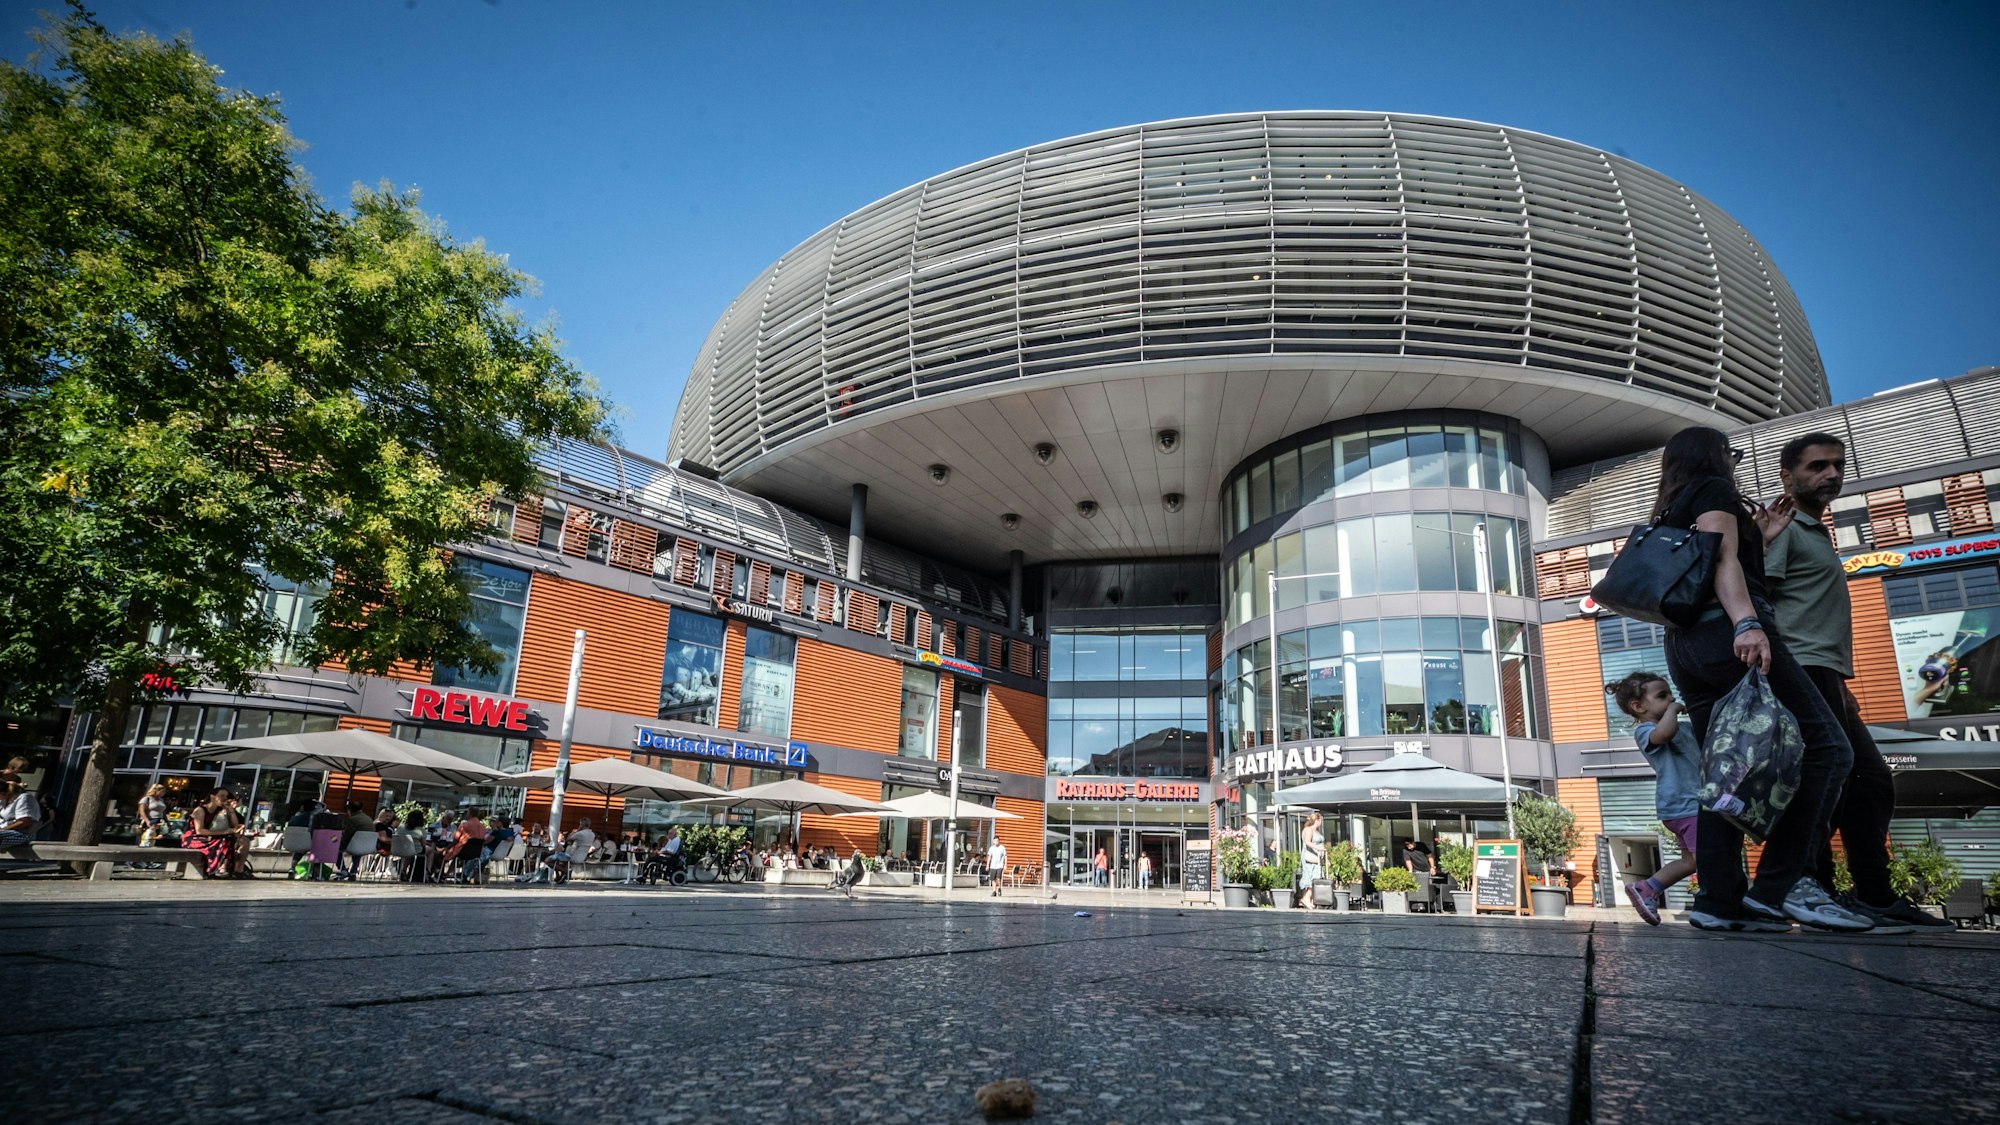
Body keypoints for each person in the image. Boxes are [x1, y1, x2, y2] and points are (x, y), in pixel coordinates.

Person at [1650, 425, 1865, 933]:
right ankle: (1777, 887)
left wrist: (1759, 540)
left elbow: (1715, 560)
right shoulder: (1716, 489)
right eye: (1734, 454)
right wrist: (1747, 622)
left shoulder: (1671, 503)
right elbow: (1722, 558)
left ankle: (1718, 901)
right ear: (1717, 456)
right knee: (1829, 749)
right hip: (1729, 635)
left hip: (1685, 646)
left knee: (1720, 777)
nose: (1737, 462)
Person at [1759, 433, 1951, 935]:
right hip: (1800, 666)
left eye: (1837, 466)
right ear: (1788, 476)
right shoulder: (1785, 528)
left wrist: (1839, 684)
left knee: (1857, 781)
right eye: (1816, 467)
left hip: (1826, 671)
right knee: (1841, 775)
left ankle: (1868, 894)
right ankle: (1818, 886)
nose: (1830, 475)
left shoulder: (1818, 532)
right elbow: (1761, 598)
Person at [1605, 673, 1701, 926]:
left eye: (1670, 694)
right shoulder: (1646, 730)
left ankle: (1648, 887)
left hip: (1688, 805)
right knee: (1707, 857)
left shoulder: (1683, 728)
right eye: (1662, 696)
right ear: (1639, 707)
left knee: (1690, 861)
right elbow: (1664, 734)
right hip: (1685, 805)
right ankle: (1717, 904)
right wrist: (1674, 709)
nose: (1671, 699)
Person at [179, 788, 237, 877]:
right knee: (223, 838)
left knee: (229, 838)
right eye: (221, 796)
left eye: (226, 796)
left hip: (208, 837)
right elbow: (199, 830)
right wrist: (224, 831)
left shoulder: (220, 810)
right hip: (193, 838)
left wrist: (230, 810)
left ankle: (222, 866)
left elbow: (235, 825)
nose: (225, 798)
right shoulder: (200, 810)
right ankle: (218, 867)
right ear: (213, 797)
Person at [0, 771, 43, 849]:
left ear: (2, 793)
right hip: (5, 832)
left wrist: (3, 830)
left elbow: (25, 822)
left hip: (23, 833)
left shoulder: (23, 798)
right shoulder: (3, 800)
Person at [335, 800, 373, 881]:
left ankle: (343, 870)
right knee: (357, 849)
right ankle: (353, 872)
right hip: (368, 846)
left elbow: (346, 835)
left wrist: (336, 841)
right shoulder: (368, 818)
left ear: (349, 810)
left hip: (356, 846)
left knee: (335, 848)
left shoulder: (353, 820)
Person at [1300, 812, 1325, 909]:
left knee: (1316, 876)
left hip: (1317, 857)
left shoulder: (1316, 831)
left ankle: (1309, 899)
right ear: (1317, 820)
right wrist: (1318, 848)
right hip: (1310, 856)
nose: (1321, 823)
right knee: (1312, 876)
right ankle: (1306, 898)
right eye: (1321, 820)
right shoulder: (1309, 830)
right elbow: (1307, 842)